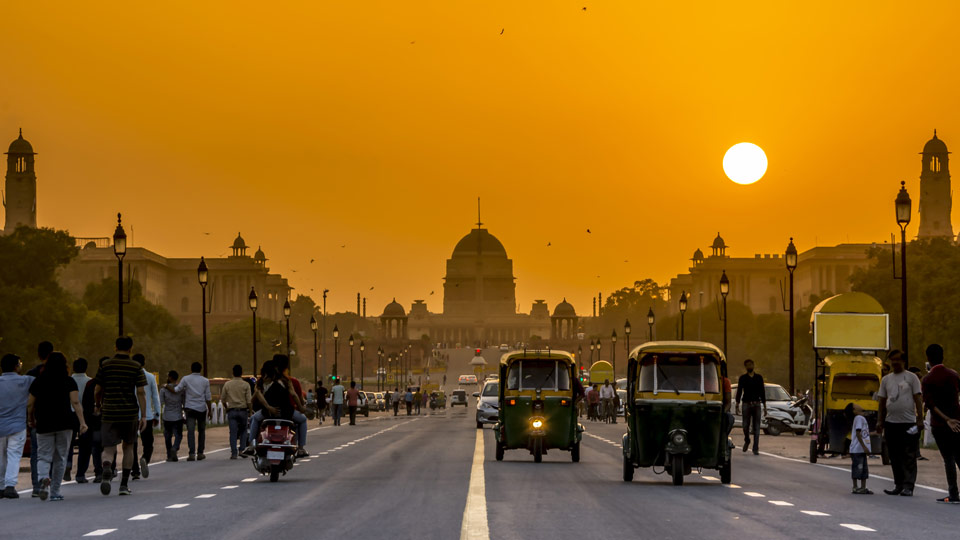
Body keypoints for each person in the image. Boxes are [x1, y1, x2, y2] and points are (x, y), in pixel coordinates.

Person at [27, 352, 87, 501]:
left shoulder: (38, 381)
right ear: (65, 365)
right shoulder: (69, 381)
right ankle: (55, 491)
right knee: (60, 457)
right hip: (65, 423)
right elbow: (75, 402)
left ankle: (43, 478)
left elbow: (29, 404)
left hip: (43, 423)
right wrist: (82, 422)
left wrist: (30, 418)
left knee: (43, 456)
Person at [94, 337, 147, 496]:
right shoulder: (136, 366)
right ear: (131, 348)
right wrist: (143, 415)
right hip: (129, 413)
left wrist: (98, 405)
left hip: (109, 412)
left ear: (115, 347)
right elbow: (141, 392)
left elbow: (97, 389)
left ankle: (107, 466)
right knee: (128, 447)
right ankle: (124, 485)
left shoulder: (105, 365)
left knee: (108, 448)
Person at [877, 349, 923, 497]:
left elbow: (917, 398)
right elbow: (882, 401)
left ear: (903, 361)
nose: (895, 363)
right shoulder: (886, 379)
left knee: (908, 455)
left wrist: (920, 418)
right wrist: (880, 420)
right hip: (891, 422)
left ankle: (909, 486)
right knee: (894, 455)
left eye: (898, 359)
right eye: (892, 360)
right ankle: (898, 484)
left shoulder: (912, 378)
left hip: (908, 422)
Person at [921, 343, 960, 504]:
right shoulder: (953, 375)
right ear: (942, 356)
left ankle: (953, 493)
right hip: (958, 422)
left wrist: (946, 419)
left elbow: (930, 404)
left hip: (940, 424)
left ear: (928, 358)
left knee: (948, 459)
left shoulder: (928, 379)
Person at [0, 353, 34, 499]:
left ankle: (0, 486)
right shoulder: (26, 381)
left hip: (0, 425)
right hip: (18, 425)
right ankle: (10, 485)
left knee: (1, 457)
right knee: (14, 455)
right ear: (16, 366)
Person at [26, 340, 53, 497]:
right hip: (57, 418)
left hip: (38, 418)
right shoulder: (60, 372)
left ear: (38, 354)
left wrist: (29, 418)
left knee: (37, 453)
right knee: (56, 453)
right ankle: (53, 485)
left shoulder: (31, 374)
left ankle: (37, 486)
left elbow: (29, 400)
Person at [272, 355, 309, 457]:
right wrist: (302, 408)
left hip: (269, 412)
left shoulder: (267, 380)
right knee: (302, 420)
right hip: (287, 412)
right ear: (286, 367)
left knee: (254, 419)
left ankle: (252, 445)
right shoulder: (290, 381)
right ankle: (301, 448)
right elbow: (295, 396)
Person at [173, 362, 211, 461]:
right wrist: (210, 410)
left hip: (190, 408)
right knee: (201, 431)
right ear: (200, 369)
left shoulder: (186, 379)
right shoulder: (205, 381)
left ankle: (191, 454)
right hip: (202, 408)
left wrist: (166, 386)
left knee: (191, 431)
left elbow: (177, 389)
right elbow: (208, 397)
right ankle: (200, 453)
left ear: (191, 369)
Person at [131, 353, 160, 480]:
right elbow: (155, 396)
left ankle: (135, 471)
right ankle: (144, 458)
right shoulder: (150, 377)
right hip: (147, 415)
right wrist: (157, 414)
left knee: (131, 444)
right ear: (144, 363)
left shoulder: (129, 376)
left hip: (131, 415)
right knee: (148, 443)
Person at [64, 357, 90, 483]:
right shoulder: (89, 382)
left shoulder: (67, 381)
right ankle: (80, 473)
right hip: (84, 415)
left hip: (68, 415)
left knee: (68, 442)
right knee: (84, 446)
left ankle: (68, 464)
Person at [77, 364, 105, 483]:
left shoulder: (90, 383)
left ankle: (80, 474)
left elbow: (84, 402)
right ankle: (99, 471)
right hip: (103, 419)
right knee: (100, 447)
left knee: (85, 447)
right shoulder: (110, 383)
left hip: (88, 418)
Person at [735, 359, 767, 455]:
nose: (750, 366)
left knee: (757, 427)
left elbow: (762, 392)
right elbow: (739, 391)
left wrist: (765, 406)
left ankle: (755, 447)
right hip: (746, 404)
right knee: (745, 425)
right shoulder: (743, 378)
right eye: (748, 365)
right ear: (745, 367)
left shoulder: (759, 378)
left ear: (753, 365)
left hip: (757, 404)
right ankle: (747, 439)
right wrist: (737, 404)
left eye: (751, 364)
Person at [222, 364, 253, 459]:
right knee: (243, 431)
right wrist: (250, 411)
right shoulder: (246, 385)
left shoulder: (227, 384)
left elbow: (223, 399)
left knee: (233, 432)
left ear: (233, 372)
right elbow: (249, 400)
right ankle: (242, 450)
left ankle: (234, 453)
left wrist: (226, 407)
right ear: (241, 373)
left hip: (232, 410)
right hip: (243, 410)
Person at [845, 402, 873, 494]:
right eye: (855, 405)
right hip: (858, 449)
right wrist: (864, 447)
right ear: (854, 410)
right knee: (858, 468)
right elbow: (858, 433)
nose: (858, 405)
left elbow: (864, 434)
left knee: (864, 468)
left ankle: (863, 487)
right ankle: (855, 487)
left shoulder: (860, 418)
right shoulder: (859, 418)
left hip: (860, 449)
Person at [160, 370, 185, 462]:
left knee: (167, 436)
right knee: (178, 435)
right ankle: (175, 448)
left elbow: (161, 402)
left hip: (167, 416)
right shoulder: (181, 390)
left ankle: (169, 455)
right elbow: (184, 402)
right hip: (178, 415)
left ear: (170, 377)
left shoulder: (163, 390)